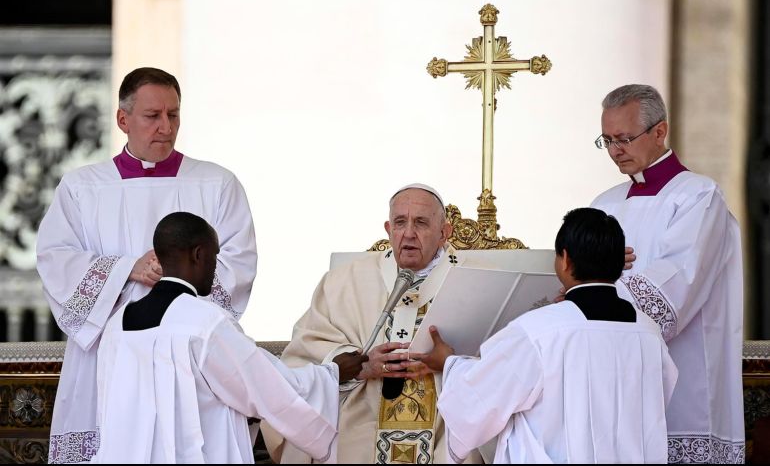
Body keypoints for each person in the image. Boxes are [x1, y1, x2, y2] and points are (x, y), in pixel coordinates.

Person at [36, 67, 258, 463]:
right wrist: (126, 269)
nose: (166, 127)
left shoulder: (216, 183)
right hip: (106, 355)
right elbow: (56, 260)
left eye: (173, 115)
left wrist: (176, 280)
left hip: (189, 354)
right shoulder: (82, 188)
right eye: (152, 116)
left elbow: (237, 263)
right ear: (123, 119)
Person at [92, 212, 366, 463]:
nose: (215, 268)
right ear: (198, 254)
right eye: (215, 257)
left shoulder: (117, 325)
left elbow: (109, 409)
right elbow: (267, 387)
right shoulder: (204, 322)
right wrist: (332, 373)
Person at [414, 207, 678, 463]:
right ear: (620, 264)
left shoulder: (539, 331)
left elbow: (479, 402)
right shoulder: (648, 332)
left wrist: (448, 363)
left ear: (565, 259)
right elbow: (657, 403)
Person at [262, 183, 487, 464]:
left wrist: (450, 364)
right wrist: (361, 365)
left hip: (446, 429)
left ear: (445, 232)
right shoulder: (343, 282)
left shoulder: (479, 280)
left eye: (420, 223)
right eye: (399, 222)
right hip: (360, 424)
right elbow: (303, 354)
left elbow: (504, 360)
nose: (408, 234)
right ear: (387, 228)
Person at [590, 84, 745, 463]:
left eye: (624, 138)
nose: (615, 151)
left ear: (660, 131)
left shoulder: (698, 197)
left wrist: (594, 294)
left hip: (684, 380)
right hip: (614, 377)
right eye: (606, 140)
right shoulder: (603, 204)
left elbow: (678, 281)